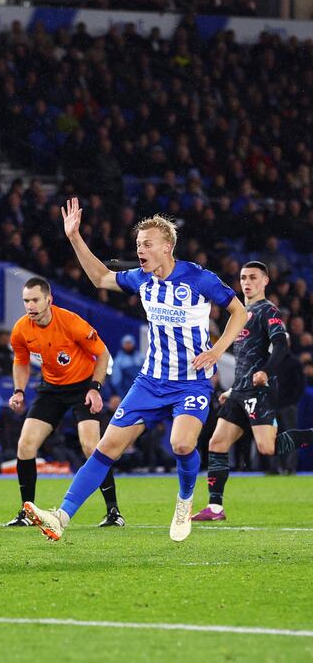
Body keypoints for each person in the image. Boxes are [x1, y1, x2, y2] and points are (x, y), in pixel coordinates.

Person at [23, 198, 247, 543]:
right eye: (138, 244)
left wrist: (217, 351)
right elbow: (99, 277)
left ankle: (185, 501)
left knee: (182, 445)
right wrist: (74, 237)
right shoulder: (141, 279)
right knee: (106, 447)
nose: (140, 249)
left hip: (191, 383)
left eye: (147, 244)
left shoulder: (199, 278)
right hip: (149, 383)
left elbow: (239, 312)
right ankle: (60, 516)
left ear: (167, 247)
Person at [194, 262, 312, 521]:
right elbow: (244, 359)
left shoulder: (268, 310)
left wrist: (267, 372)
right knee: (217, 442)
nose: (247, 282)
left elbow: (280, 346)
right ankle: (215, 507)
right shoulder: (239, 313)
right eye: (243, 278)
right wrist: (233, 388)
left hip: (259, 390)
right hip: (240, 391)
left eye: (253, 278)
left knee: (267, 448)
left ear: (265, 281)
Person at [5, 277, 121, 528]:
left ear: (49, 299)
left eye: (35, 300)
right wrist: (19, 391)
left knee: (92, 447)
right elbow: (21, 361)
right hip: (51, 389)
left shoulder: (70, 322)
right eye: (26, 301)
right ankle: (27, 512)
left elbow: (102, 354)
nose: (30, 306)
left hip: (82, 386)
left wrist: (95, 389)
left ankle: (113, 512)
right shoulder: (21, 329)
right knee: (25, 446)